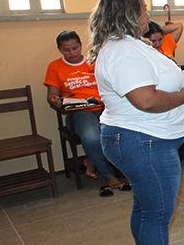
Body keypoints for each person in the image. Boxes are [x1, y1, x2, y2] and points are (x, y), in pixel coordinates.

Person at [90, 0, 184, 245]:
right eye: (143, 9)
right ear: (128, 14)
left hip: (142, 139)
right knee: (156, 214)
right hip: (142, 141)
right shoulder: (123, 52)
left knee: (144, 207)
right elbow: (147, 100)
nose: (148, 15)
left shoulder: (127, 45)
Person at [44, 30, 125, 195]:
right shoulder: (55, 66)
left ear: (81, 45)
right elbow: (52, 94)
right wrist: (54, 100)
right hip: (79, 113)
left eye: (75, 48)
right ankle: (107, 173)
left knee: (124, 131)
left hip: (104, 107)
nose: (72, 53)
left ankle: (91, 159)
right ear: (60, 49)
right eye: (66, 50)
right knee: (92, 137)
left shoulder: (95, 61)